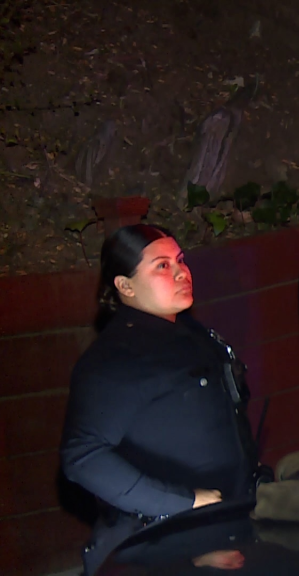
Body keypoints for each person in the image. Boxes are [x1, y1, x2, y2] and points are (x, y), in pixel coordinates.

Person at [60, 224, 258, 575]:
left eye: (180, 260)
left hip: (224, 526)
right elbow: (83, 457)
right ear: (125, 286)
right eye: (162, 266)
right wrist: (184, 502)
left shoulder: (192, 333)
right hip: (159, 543)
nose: (181, 272)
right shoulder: (114, 358)